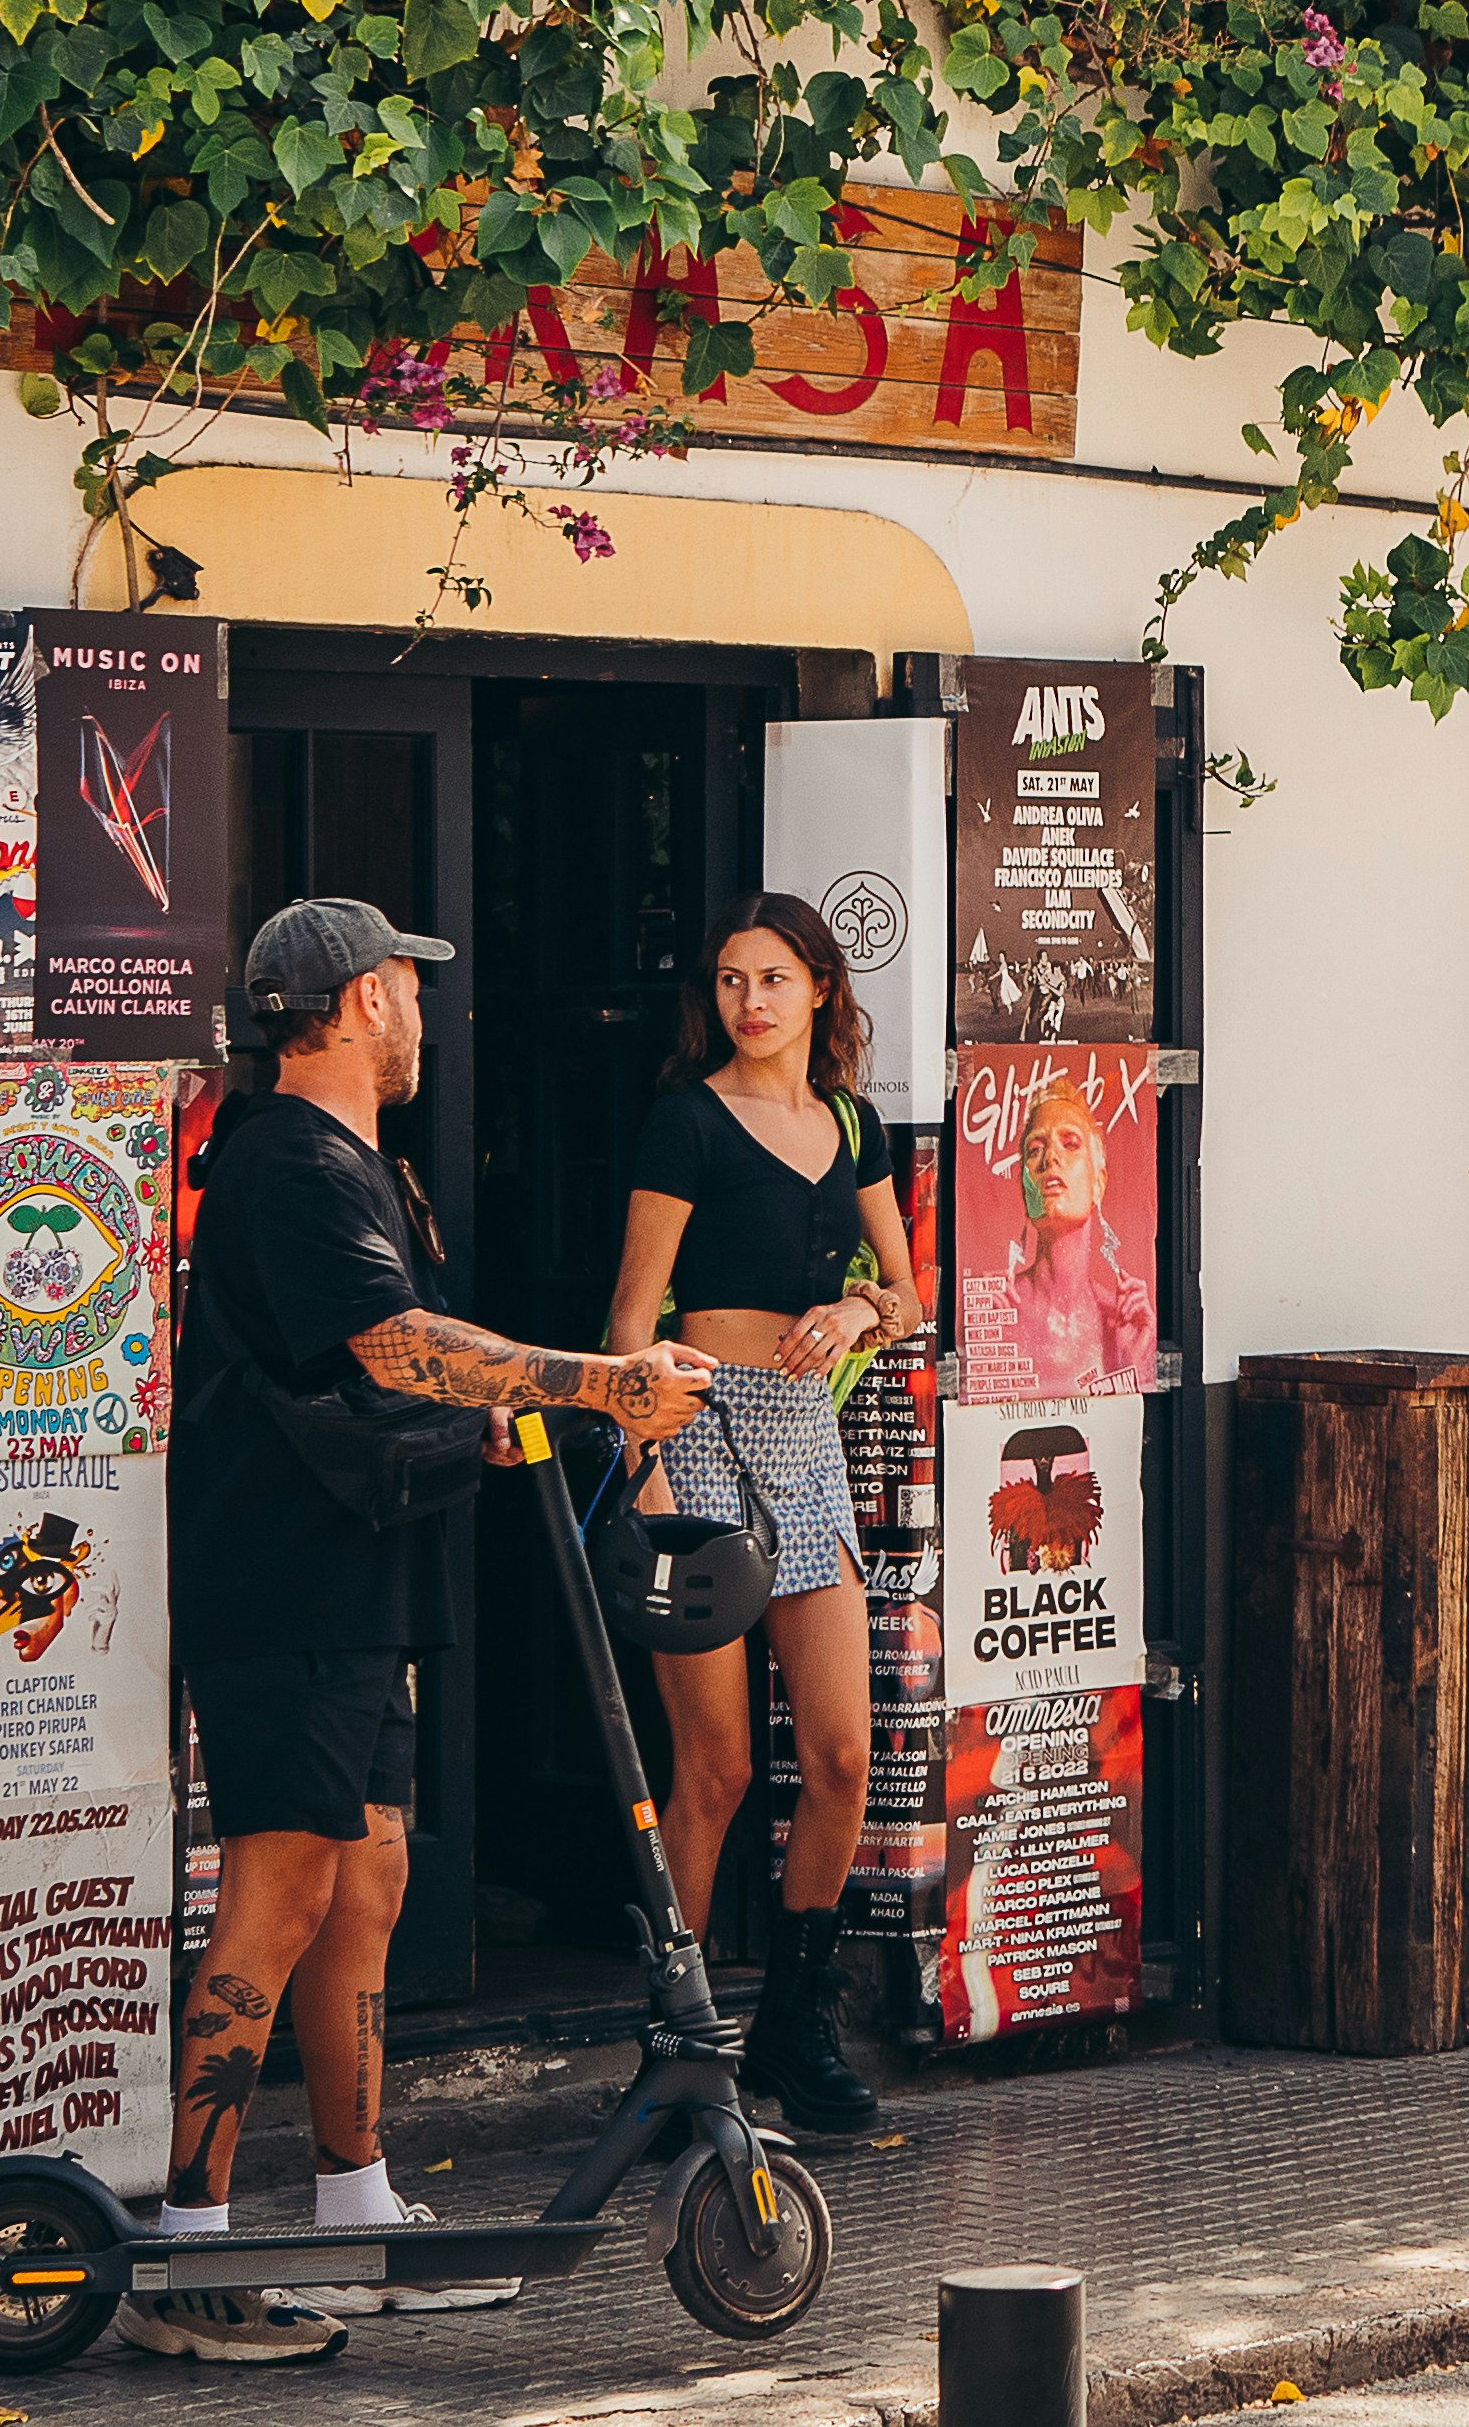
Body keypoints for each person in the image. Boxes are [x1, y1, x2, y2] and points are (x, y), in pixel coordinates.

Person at [131, 900, 715, 2368]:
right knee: (279, 1888)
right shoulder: (285, 1161)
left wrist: (531, 1421)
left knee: (371, 1875)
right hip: (286, 1586)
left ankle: (358, 2204)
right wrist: (598, 1383)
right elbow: (394, 1348)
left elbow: (397, 1375)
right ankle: (188, 2257)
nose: (426, 1014)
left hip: (359, 1571)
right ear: (346, 1005)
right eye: (405, 987)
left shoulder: (354, 1164)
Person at [605, 894, 925, 2137]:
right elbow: (631, 1321)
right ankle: (677, 2046)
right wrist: (651, 1469)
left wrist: (859, 1313)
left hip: (806, 1440)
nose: (750, 1001)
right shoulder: (684, 1122)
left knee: (842, 1755)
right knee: (721, 1766)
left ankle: (796, 2023)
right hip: (693, 1423)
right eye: (732, 980)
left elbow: (907, 1289)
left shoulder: (850, 1123)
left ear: (821, 992)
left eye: (774, 978)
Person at [980, 1072, 1158, 1395]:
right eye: (1035, 1149)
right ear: (1025, 1185)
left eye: (1070, 1143)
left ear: (1098, 1183)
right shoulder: (997, 1312)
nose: (1051, 1158)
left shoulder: (1118, 1321)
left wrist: (1133, 1364)